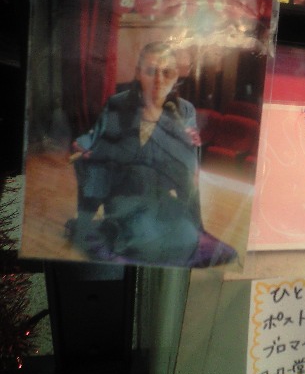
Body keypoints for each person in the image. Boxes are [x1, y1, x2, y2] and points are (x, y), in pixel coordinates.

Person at [66, 42, 237, 267]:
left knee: (186, 240)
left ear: (176, 76)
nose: (159, 80)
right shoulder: (118, 103)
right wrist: (81, 145)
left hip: (159, 195)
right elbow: (96, 134)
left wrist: (187, 144)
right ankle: (114, 227)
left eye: (167, 72)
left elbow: (189, 156)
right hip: (124, 192)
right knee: (145, 243)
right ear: (138, 73)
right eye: (151, 71)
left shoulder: (184, 110)